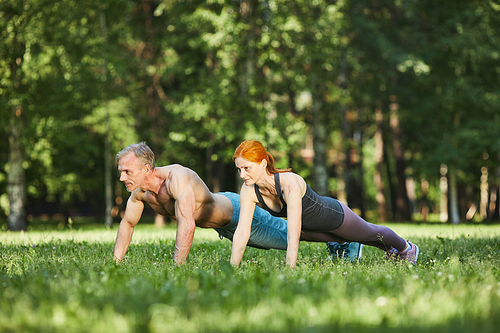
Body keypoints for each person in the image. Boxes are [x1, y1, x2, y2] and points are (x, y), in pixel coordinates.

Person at [230, 140, 419, 268]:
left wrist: (290, 268)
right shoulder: (249, 190)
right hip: (311, 228)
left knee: (369, 233)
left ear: (263, 163)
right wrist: (233, 268)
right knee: (362, 238)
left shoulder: (289, 183)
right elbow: (242, 232)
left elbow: (293, 231)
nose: (242, 175)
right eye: (239, 169)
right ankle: (390, 251)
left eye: (247, 168)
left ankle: (406, 248)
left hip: (332, 216)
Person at [113, 142, 291, 265]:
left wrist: (178, 268)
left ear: (145, 169)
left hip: (236, 214)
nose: (122, 177)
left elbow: (187, 224)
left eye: (127, 172)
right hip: (224, 228)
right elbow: (128, 223)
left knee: (296, 234)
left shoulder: (176, 178)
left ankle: (318, 215)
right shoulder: (139, 192)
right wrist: (115, 263)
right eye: (121, 172)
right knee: (292, 237)